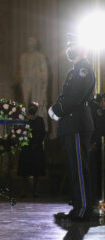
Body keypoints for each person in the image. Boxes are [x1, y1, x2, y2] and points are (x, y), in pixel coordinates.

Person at [48, 33, 95, 221]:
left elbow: (74, 97)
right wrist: (57, 107)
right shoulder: (73, 71)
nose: (70, 49)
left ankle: (83, 209)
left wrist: (56, 110)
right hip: (71, 124)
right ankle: (78, 207)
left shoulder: (84, 70)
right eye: (68, 46)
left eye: (73, 45)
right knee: (75, 169)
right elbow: (65, 96)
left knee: (79, 169)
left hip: (77, 122)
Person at [13, 37, 49, 131]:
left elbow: (45, 74)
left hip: (36, 84)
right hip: (26, 83)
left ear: (35, 44)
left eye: (32, 42)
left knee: (36, 106)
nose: (30, 44)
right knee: (24, 103)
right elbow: (19, 72)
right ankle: (24, 125)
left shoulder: (40, 57)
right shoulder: (23, 57)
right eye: (28, 42)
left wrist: (37, 74)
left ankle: (37, 125)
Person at [17, 102, 46, 198]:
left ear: (36, 109)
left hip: (37, 147)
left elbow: (42, 133)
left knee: (36, 171)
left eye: (34, 107)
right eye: (31, 107)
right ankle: (23, 191)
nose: (32, 108)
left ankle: (35, 191)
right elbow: (20, 132)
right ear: (28, 108)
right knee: (23, 170)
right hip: (26, 147)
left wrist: (36, 144)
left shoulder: (40, 120)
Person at [88, 93, 105, 209]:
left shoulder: (96, 109)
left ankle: (93, 197)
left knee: (93, 173)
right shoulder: (79, 105)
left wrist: (94, 143)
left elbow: (99, 128)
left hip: (94, 146)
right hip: (84, 144)